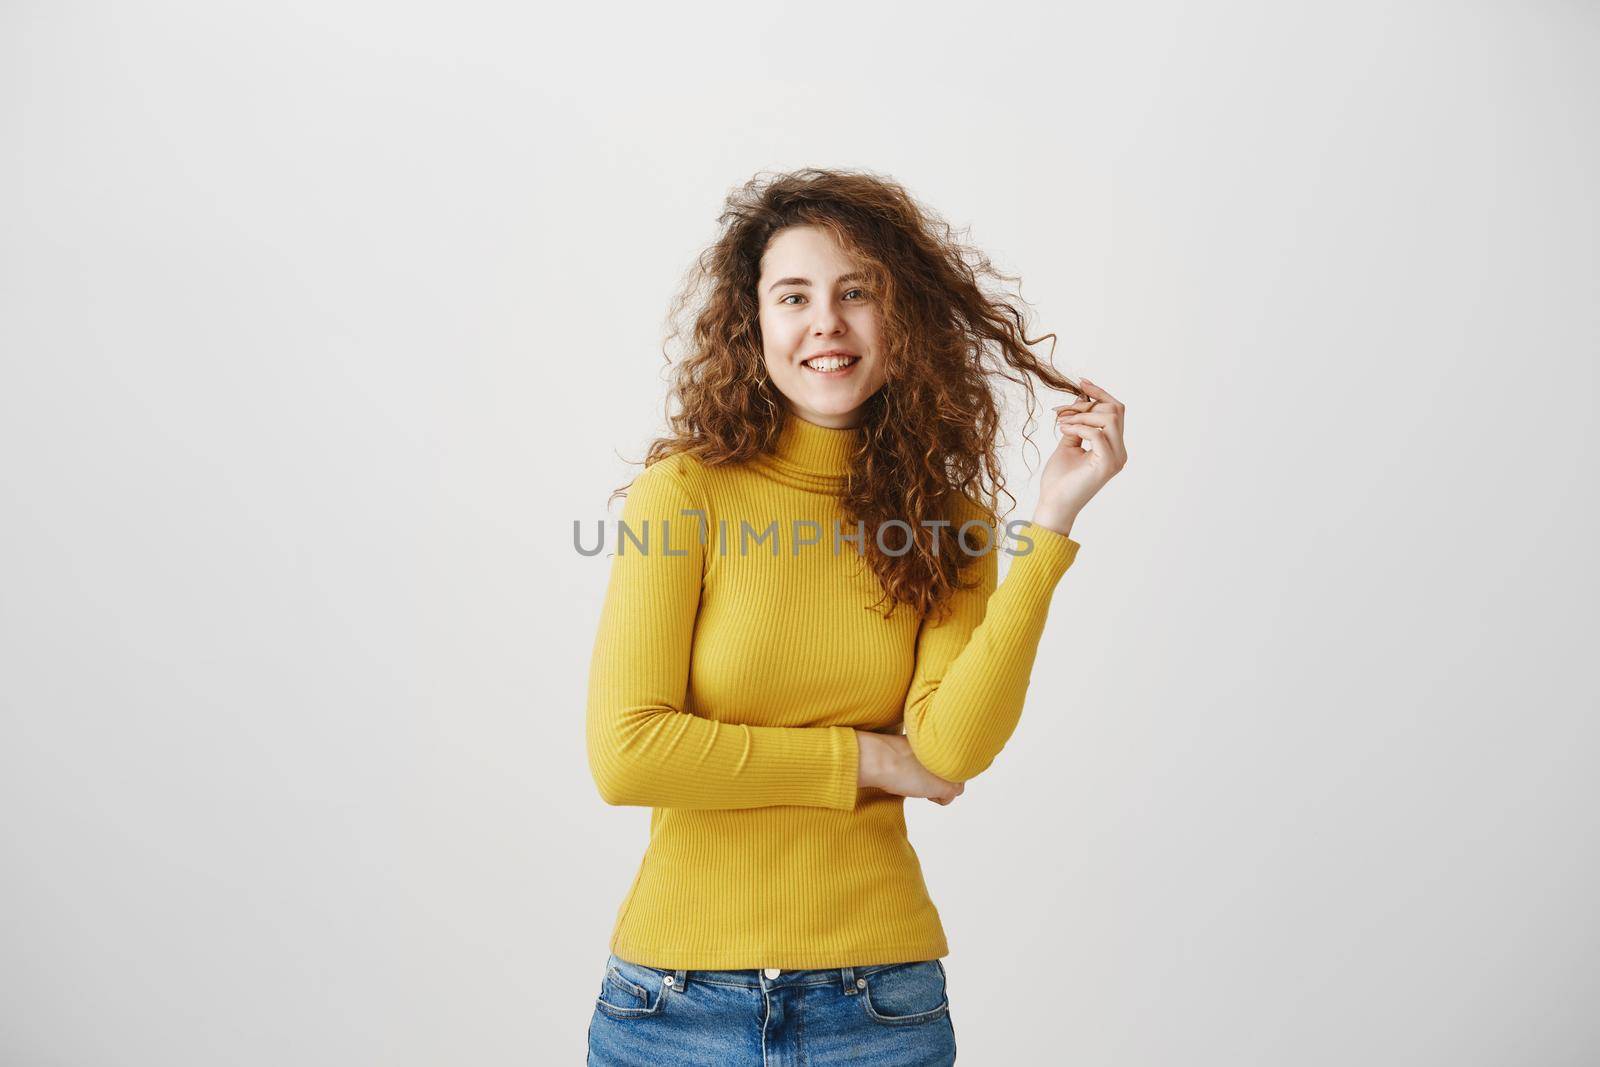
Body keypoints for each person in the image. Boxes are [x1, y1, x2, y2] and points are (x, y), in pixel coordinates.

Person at [583, 167, 1128, 1065]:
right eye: (792, 295)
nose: (825, 322)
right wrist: (866, 758)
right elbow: (626, 751)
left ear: (898, 317)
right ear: (753, 323)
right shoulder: (682, 495)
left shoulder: (949, 521)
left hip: (876, 1009)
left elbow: (951, 749)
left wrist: (1050, 526)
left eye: (855, 292)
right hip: (669, 1010)